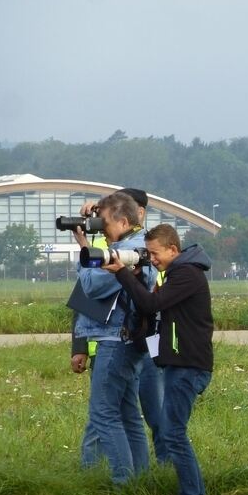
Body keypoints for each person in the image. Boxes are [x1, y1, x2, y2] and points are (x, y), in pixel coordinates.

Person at [105, 224, 214, 495]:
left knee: (172, 432)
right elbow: (147, 307)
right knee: (170, 431)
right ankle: (194, 494)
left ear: (173, 249)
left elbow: (153, 304)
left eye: (155, 254)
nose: (152, 259)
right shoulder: (175, 274)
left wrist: (123, 274)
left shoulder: (187, 275)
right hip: (179, 363)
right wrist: (136, 279)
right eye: (148, 254)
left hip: (189, 365)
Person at [71, 188, 168, 466]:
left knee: (103, 413)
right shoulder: (138, 244)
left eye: (107, 224)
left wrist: (84, 251)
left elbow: (91, 286)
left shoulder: (127, 252)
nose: (104, 231)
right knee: (128, 416)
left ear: (124, 223)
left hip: (115, 340)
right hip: (127, 340)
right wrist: (87, 240)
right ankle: (138, 476)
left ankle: (123, 480)